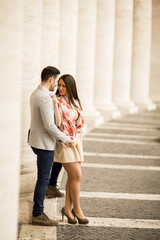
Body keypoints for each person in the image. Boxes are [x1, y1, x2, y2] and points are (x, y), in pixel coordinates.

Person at [28, 66, 73, 226]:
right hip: (44, 144)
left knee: (44, 178)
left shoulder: (36, 93)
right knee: (43, 180)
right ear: (51, 79)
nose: (56, 86)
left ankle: (40, 209)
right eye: (56, 81)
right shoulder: (45, 97)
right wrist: (65, 139)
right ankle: (37, 214)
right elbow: (49, 125)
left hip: (35, 140)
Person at [51, 74, 89, 225]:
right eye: (59, 85)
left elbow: (81, 123)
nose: (60, 88)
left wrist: (76, 138)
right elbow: (58, 123)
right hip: (63, 142)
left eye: (63, 86)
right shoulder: (57, 101)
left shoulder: (75, 102)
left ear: (70, 87)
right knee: (77, 175)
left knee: (72, 177)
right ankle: (77, 210)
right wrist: (54, 104)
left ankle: (67, 209)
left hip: (75, 142)